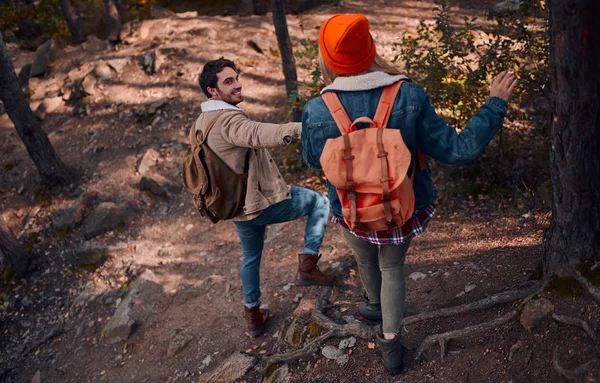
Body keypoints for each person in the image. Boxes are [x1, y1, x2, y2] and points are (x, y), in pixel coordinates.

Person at [301, 14, 517, 374]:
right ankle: (390, 344)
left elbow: (313, 160)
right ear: (370, 49)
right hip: (400, 206)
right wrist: (494, 104)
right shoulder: (407, 95)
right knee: (392, 265)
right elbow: (458, 150)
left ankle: (372, 304)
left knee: (367, 259)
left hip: (350, 208)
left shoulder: (317, 108)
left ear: (326, 58)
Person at [195, 58, 336, 338]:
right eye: (228, 81)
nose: (237, 84)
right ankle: (308, 266)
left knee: (250, 256)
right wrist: (304, 128)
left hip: (235, 206)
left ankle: (253, 315)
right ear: (212, 91)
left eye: (236, 78)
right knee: (319, 202)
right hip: (258, 203)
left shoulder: (201, 122)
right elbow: (259, 133)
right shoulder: (228, 120)